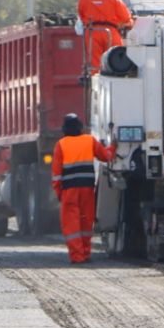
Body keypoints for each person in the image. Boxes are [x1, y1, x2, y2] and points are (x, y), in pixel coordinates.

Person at [51, 112, 115, 264]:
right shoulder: (89, 140)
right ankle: (86, 253)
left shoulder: (61, 145)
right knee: (86, 221)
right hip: (87, 189)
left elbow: (56, 175)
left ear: (64, 129)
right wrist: (114, 146)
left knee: (71, 224)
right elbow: (105, 156)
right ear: (80, 127)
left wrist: (59, 193)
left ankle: (77, 256)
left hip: (69, 192)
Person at [77, 0, 134, 73]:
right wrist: (128, 23)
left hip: (92, 33)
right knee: (115, 60)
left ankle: (95, 84)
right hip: (111, 33)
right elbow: (126, 17)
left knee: (95, 65)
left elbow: (81, 15)